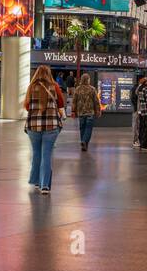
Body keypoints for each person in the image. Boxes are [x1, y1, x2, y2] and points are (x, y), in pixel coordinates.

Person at [23, 65, 65, 193]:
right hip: (51, 126)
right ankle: (44, 185)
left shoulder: (31, 87)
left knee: (36, 153)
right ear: (49, 74)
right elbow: (61, 104)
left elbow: (26, 106)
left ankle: (35, 181)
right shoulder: (55, 87)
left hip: (33, 126)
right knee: (46, 154)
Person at [73, 73, 101, 152]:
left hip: (81, 112)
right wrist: (98, 111)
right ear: (88, 80)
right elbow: (96, 101)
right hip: (90, 112)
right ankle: (84, 142)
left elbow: (74, 101)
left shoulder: (78, 89)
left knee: (82, 128)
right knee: (88, 128)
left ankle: (83, 144)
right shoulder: (92, 89)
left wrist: (73, 111)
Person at [134, 76, 147, 149]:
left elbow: (136, 93)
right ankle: (144, 143)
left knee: (142, 127)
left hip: (141, 110)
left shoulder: (140, 88)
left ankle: (142, 141)